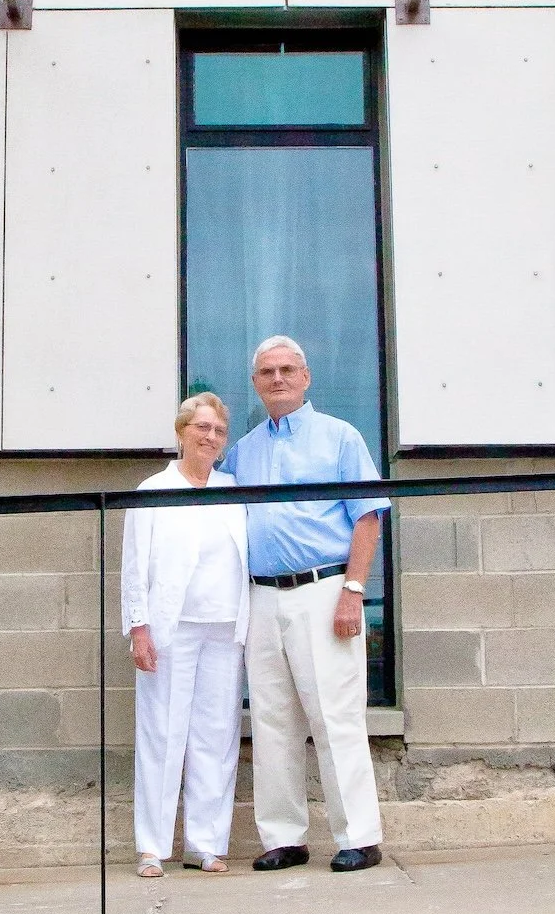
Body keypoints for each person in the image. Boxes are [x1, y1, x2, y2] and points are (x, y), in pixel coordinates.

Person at [228, 336, 386, 874]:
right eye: (267, 372)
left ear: (306, 376)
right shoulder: (244, 451)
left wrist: (354, 591)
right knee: (272, 720)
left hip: (325, 591)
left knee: (336, 716)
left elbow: (367, 515)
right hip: (263, 595)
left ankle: (359, 836)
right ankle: (283, 837)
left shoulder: (339, 437)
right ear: (256, 383)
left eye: (287, 370)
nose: (277, 379)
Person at [121, 392, 250, 878]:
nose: (209, 437)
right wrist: (139, 627)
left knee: (216, 738)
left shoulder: (232, 490)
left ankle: (206, 843)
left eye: (217, 430)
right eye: (201, 427)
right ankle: (152, 847)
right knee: (162, 733)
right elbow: (134, 567)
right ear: (181, 432)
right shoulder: (153, 489)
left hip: (224, 629)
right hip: (171, 629)